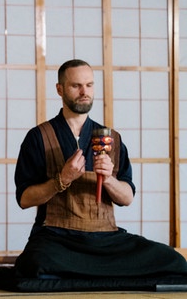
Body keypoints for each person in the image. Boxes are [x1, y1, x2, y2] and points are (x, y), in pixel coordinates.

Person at [13, 59, 187, 280]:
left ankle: (83, 273)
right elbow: (25, 199)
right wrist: (62, 179)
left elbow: (127, 198)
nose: (84, 92)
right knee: (36, 263)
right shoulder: (39, 137)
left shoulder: (111, 138)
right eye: (76, 86)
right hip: (58, 239)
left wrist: (108, 179)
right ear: (60, 89)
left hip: (105, 240)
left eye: (89, 85)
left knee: (172, 260)